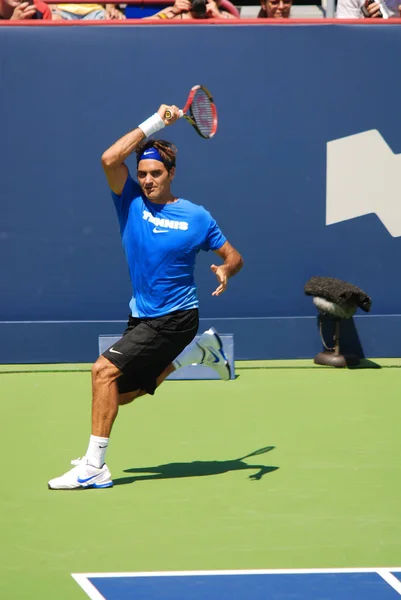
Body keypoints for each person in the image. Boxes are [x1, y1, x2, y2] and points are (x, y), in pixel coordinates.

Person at [48, 103, 243, 490]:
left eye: (156, 173)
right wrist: (155, 123)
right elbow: (109, 158)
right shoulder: (130, 200)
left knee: (101, 371)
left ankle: (94, 467)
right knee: (118, 396)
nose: (148, 180)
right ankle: (195, 355)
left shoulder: (197, 217)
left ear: (171, 174)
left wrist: (226, 270)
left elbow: (234, 255)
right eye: (142, 174)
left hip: (176, 316)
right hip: (143, 314)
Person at [148, 0, 237, 20]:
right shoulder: (173, 12)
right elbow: (138, 29)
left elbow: (241, 36)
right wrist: (172, 13)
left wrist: (219, 17)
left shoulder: (223, 16)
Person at [51, 2, 125, 19]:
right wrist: (50, 5)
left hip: (95, 12)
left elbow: (110, 7)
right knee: (53, 19)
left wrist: (110, 9)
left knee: (115, 19)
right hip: (62, 11)